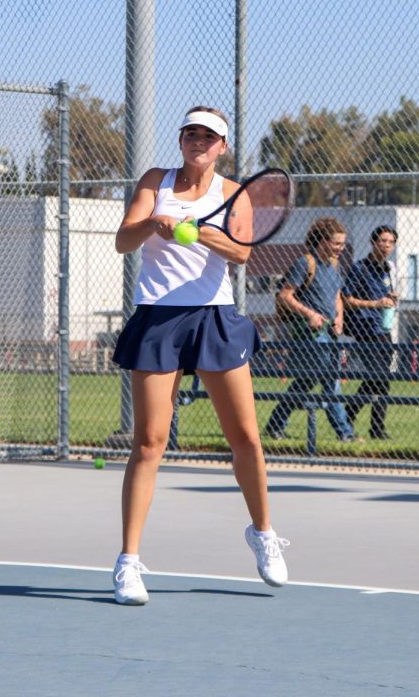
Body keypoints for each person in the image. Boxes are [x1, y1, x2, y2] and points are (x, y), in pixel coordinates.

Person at [109, 106, 289, 606]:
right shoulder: (154, 181)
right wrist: (154, 223)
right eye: (190, 133)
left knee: (247, 439)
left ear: (222, 147)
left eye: (208, 136)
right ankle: (128, 563)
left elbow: (242, 252)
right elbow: (124, 240)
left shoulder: (232, 194)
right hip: (159, 318)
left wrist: (200, 231)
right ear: (181, 139)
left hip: (214, 317)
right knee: (149, 441)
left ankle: (263, 532)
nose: (198, 141)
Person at [264, 217, 356, 442]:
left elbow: (337, 296)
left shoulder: (333, 265)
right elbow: (285, 295)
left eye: (343, 244)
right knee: (330, 379)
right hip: (310, 333)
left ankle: (275, 424)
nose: (340, 248)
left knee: (306, 380)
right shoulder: (305, 263)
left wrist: (339, 318)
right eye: (336, 243)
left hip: (330, 331)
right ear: (322, 241)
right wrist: (310, 314)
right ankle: (345, 432)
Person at [342, 225, 399, 439]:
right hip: (365, 329)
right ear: (373, 243)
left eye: (390, 242)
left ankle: (373, 425)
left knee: (383, 379)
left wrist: (391, 299)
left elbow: (385, 299)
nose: (386, 245)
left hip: (383, 328)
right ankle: (352, 415)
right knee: (378, 377)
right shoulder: (360, 268)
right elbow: (347, 300)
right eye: (382, 241)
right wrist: (375, 303)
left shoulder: (388, 270)